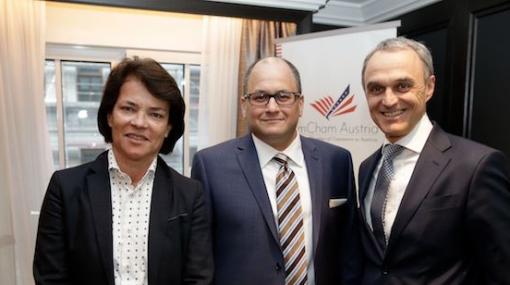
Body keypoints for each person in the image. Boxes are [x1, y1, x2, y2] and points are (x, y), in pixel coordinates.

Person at [33, 57, 213, 285]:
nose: (140, 122)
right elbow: (50, 278)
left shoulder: (189, 194)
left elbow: (198, 278)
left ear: (168, 127)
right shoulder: (66, 187)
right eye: (129, 108)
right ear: (110, 115)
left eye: (155, 114)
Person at [191, 57, 362, 285]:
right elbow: (200, 259)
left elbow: (349, 249)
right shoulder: (211, 165)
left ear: (300, 104)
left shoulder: (337, 161)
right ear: (244, 105)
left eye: (283, 96)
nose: (272, 108)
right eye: (260, 97)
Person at [358, 37, 510, 284]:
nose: (388, 100)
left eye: (402, 86)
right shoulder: (367, 168)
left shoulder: (476, 166)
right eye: (376, 89)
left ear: (429, 87)